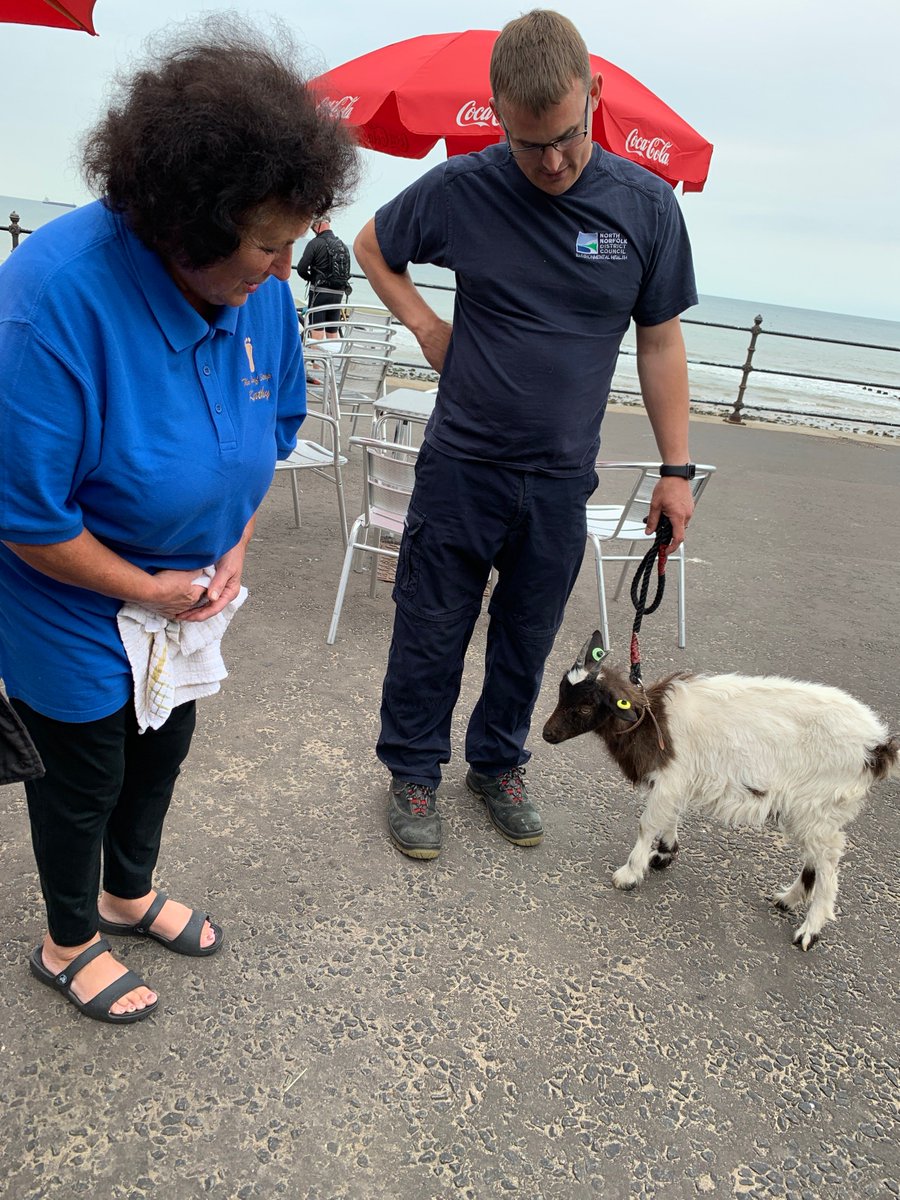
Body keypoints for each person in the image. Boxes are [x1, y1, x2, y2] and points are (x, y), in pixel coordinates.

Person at [0, 16, 357, 1023]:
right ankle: (67, 939)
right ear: (189, 227)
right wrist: (141, 587)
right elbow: (24, 514)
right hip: (66, 591)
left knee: (161, 746)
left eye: (294, 242)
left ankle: (128, 892)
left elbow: (273, 426)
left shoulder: (263, 297)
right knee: (82, 769)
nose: (283, 269)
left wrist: (231, 545)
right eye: (265, 245)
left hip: (187, 590)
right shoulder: (52, 301)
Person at [354, 9, 697, 861]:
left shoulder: (646, 208)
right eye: (527, 141)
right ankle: (413, 773)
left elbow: (659, 340)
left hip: (557, 478)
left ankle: (499, 762)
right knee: (431, 623)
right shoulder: (463, 188)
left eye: (567, 139)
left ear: (595, 99)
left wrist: (677, 468)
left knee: (527, 633)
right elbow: (372, 246)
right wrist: (431, 330)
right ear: (498, 113)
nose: (550, 161)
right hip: (463, 465)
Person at [296, 215, 353, 339]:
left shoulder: (315, 243)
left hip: (319, 293)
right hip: (338, 294)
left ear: (317, 226)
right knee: (332, 331)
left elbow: (301, 269)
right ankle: (333, 358)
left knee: (316, 331)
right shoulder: (342, 245)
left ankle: (317, 358)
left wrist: (311, 279)